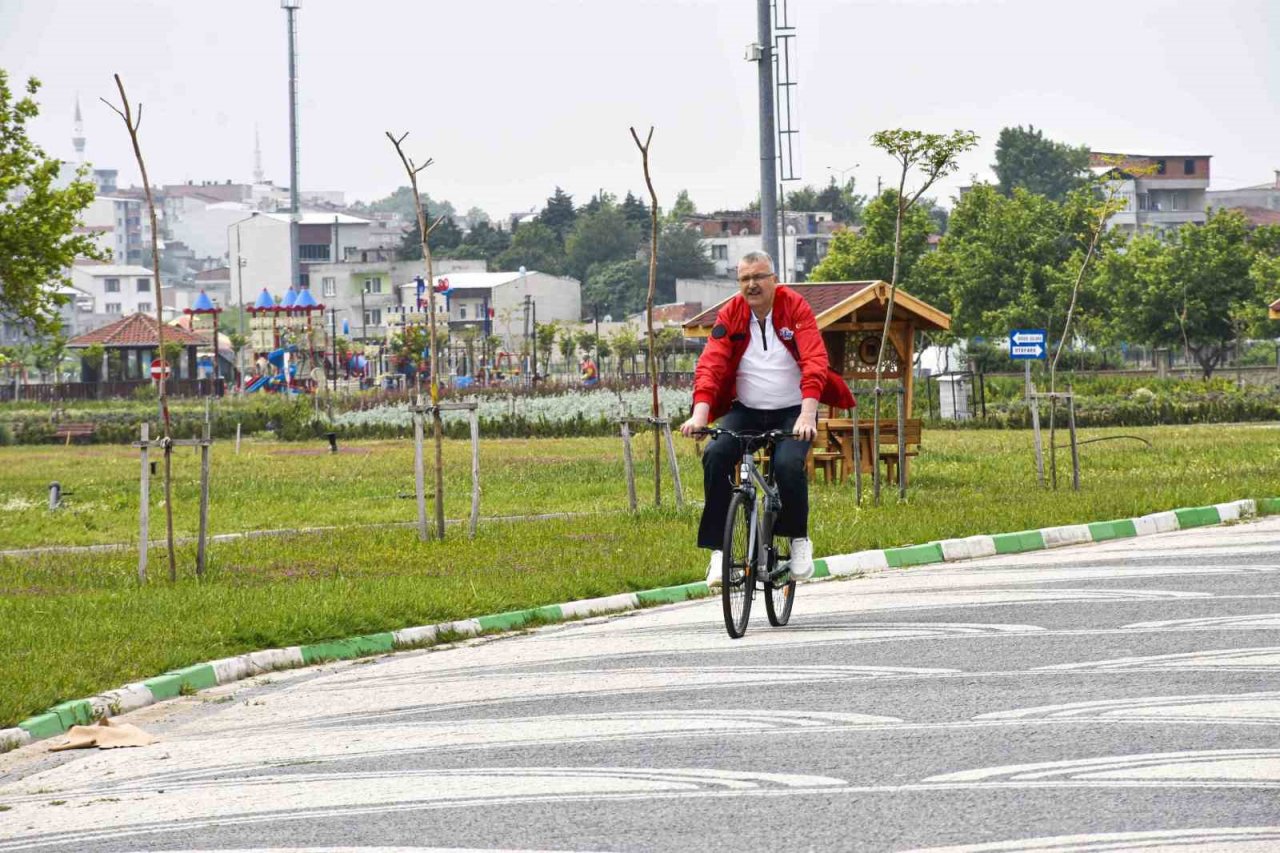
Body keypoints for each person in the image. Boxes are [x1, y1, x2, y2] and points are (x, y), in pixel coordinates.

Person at [680, 251, 854, 585]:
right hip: (745, 410)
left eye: (759, 277)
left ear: (774, 279)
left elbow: (814, 360)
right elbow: (711, 364)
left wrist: (807, 414)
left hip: (792, 412)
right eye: (745, 279)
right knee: (716, 455)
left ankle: (799, 540)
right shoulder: (731, 313)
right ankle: (719, 551)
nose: (752, 285)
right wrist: (700, 415)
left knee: (788, 465)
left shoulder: (794, 307)